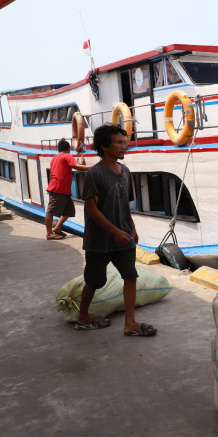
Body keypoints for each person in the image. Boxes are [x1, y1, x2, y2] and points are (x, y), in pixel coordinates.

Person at [75, 124, 157, 337]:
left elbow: (123, 205)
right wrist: (113, 231)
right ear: (104, 146)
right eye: (119, 142)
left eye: (124, 142)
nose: (124, 146)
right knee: (95, 281)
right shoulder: (95, 174)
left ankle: (130, 323)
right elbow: (91, 209)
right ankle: (83, 317)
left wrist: (131, 227)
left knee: (130, 276)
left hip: (123, 236)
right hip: (99, 240)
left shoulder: (125, 171)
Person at [45, 138, 91, 240]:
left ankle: (57, 228)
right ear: (69, 148)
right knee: (51, 211)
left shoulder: (55, 158)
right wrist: (92, 167)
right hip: (58, 189)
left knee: (68, 212)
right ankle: (49, 233)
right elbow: (77, 167)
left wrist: (82, 165)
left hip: (61, 189)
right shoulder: (67, 156)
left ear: (58, 149)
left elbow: (73, 167)